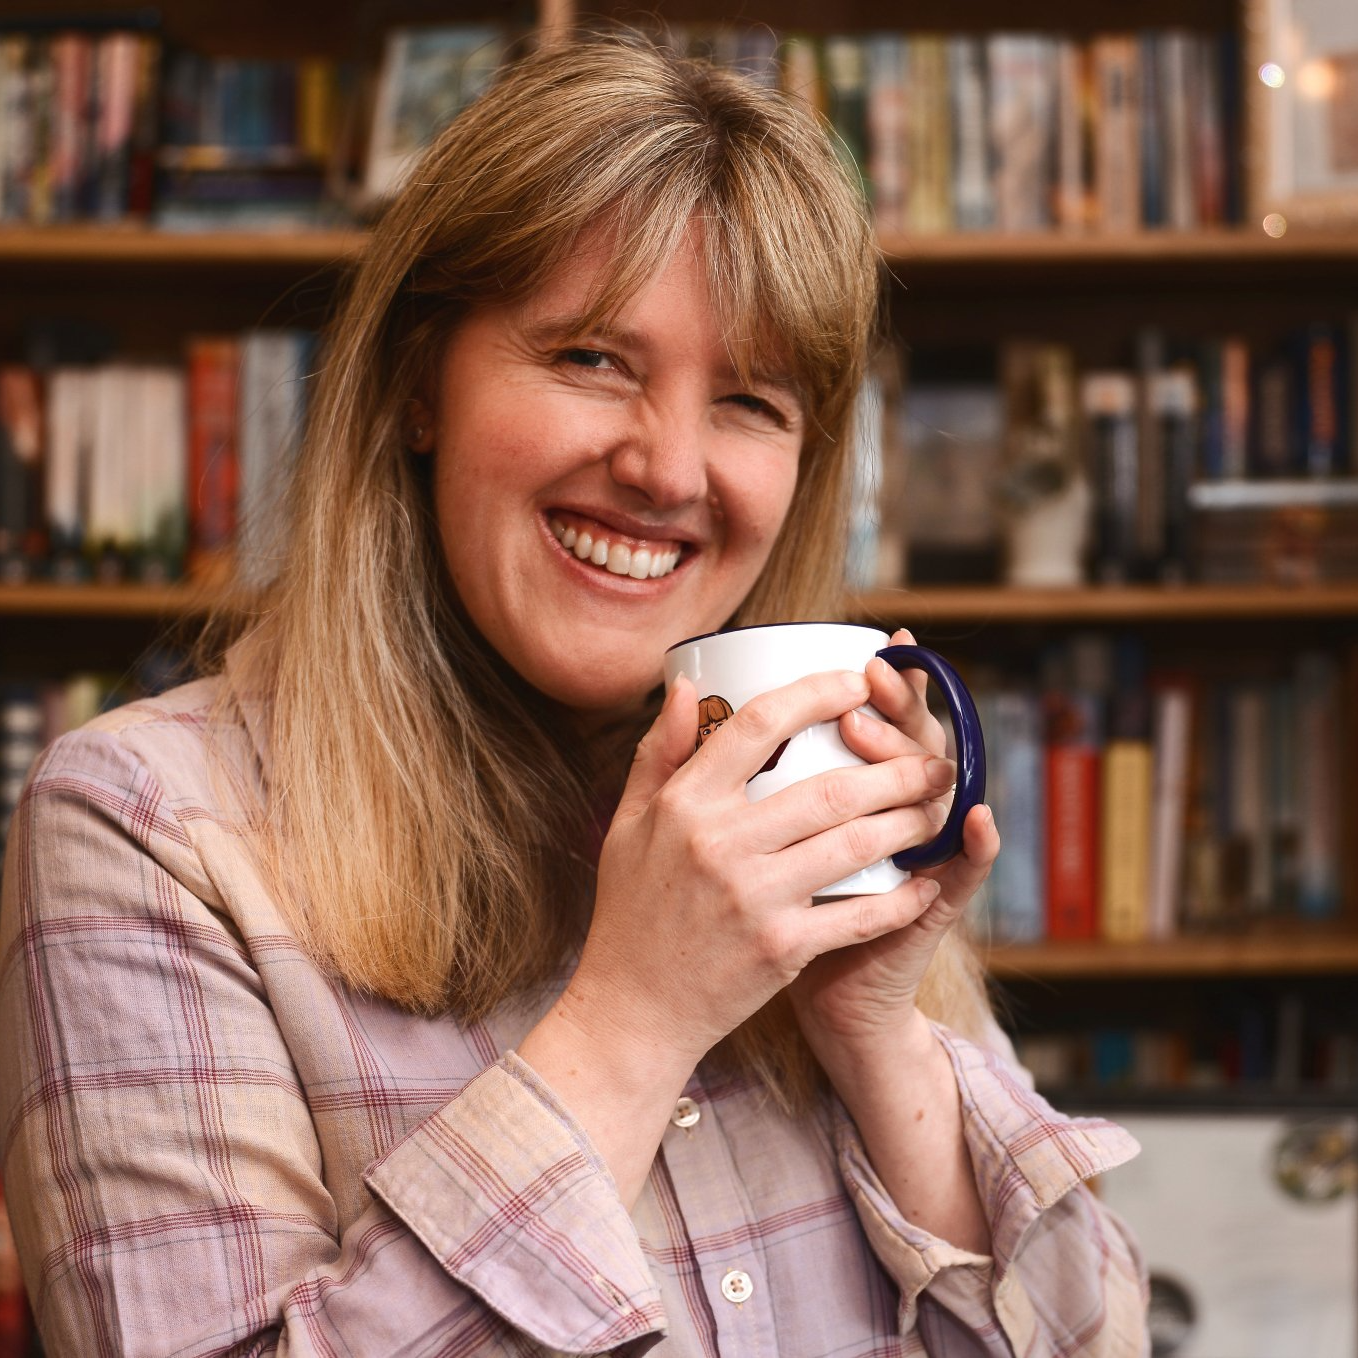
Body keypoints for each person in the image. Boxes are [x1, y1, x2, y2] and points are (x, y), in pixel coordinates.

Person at [0, 34, 1148, 1357]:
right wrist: (637, 1015)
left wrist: (878, 1030)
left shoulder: (801, 816)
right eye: (594, 358)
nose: (667, 468)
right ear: (419, 379)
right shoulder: (146, 825)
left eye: (747, 400)